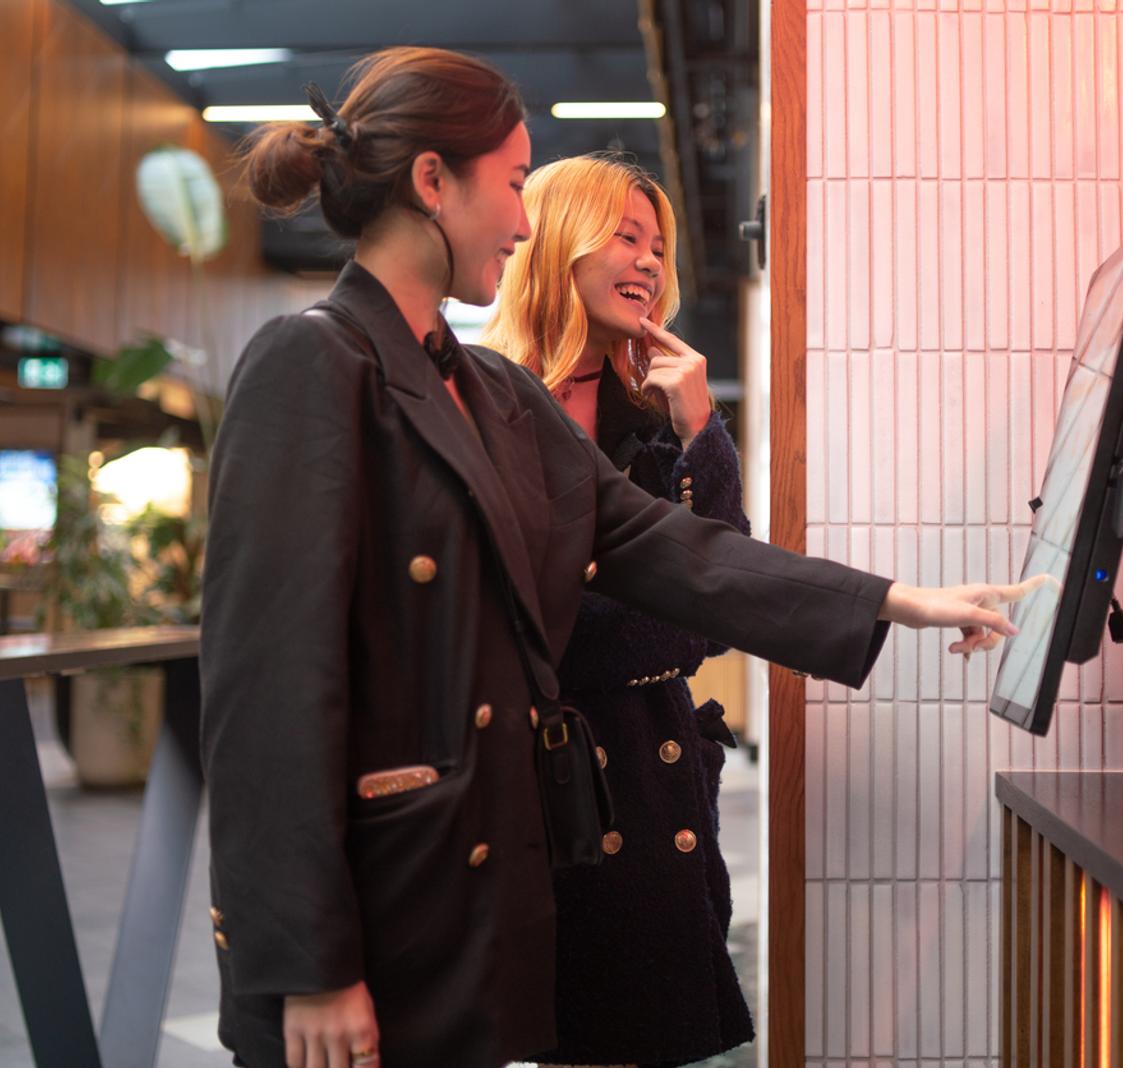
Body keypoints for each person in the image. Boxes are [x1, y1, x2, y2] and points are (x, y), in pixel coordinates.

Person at [201, 46, 1021, 1068]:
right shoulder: (313, 361)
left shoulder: (497, 397)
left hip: (479, 893)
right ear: (431, 184)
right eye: (511, 183)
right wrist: (304, 962)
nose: (524, 218)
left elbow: (669, 548)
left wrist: (902, 600)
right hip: (379, 906)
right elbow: (263, 697)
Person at [480, 153, 753, 1065]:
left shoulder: (651, 409)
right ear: (555, 241)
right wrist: (655, 634)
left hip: (650, 782)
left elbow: (720, 600)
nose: (648, 262)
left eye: (659, 244)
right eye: (624, 236)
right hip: (530, 787)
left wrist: (702, 431)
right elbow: (525, 630)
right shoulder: (479, 398)